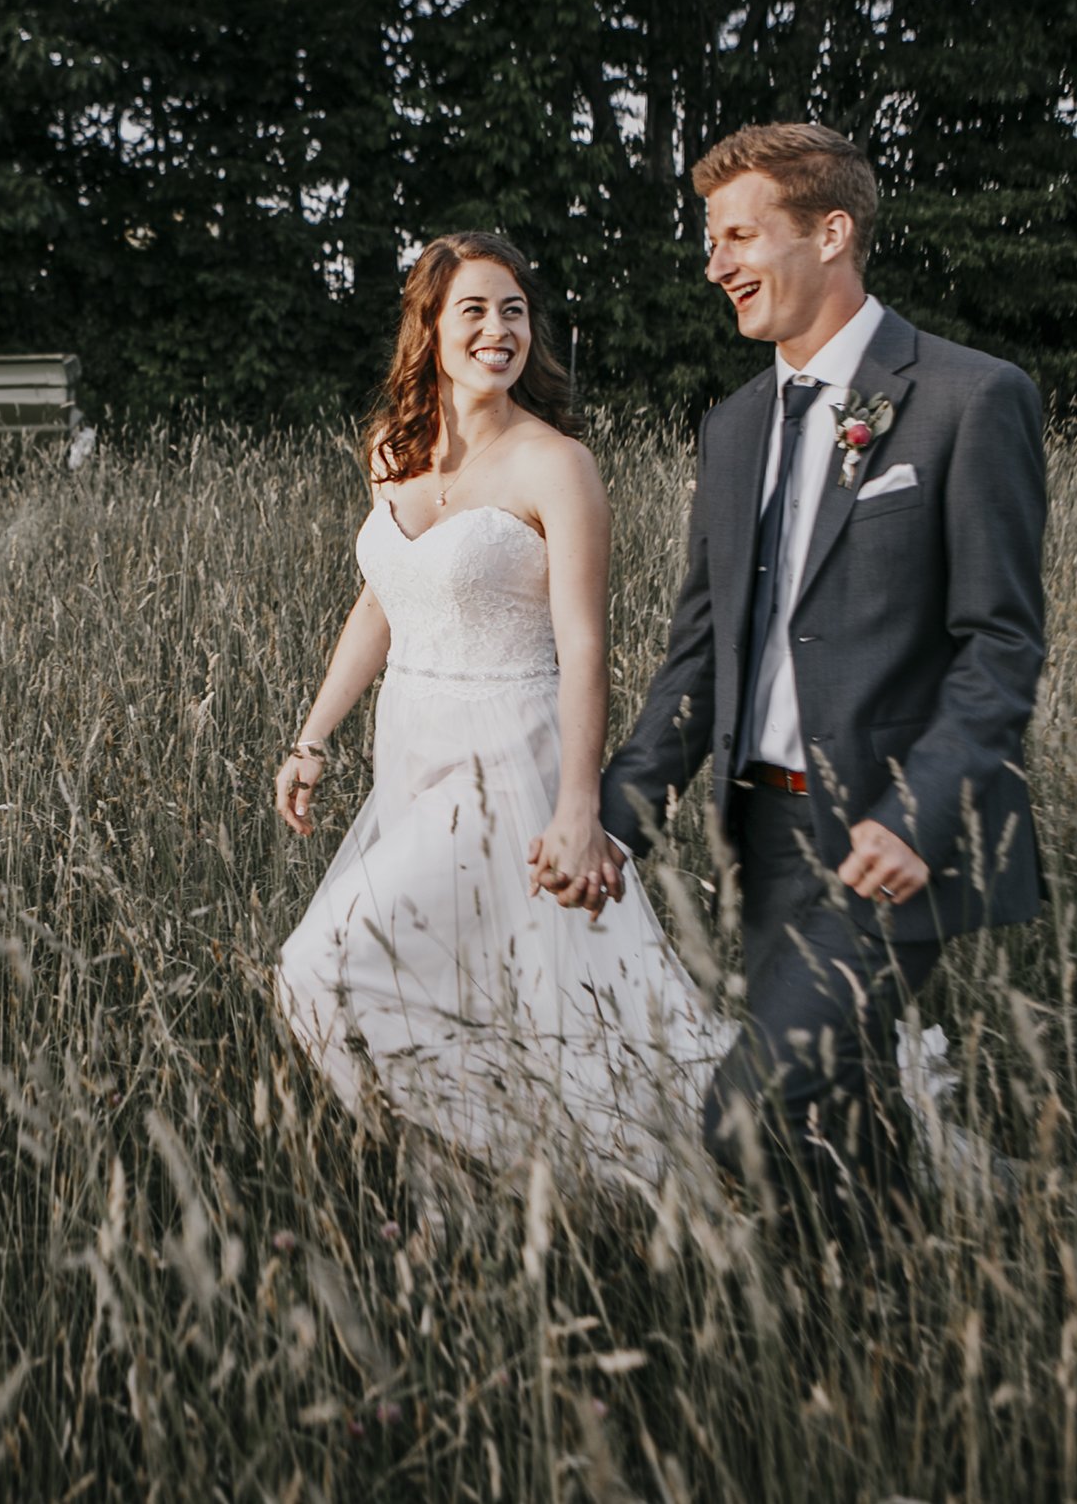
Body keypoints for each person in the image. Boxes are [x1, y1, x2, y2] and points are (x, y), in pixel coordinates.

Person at [559, 122, 1047, 1235]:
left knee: (746, 1109)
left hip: (898, 840)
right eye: (710, 240)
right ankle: (885, 1326)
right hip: (765, 831)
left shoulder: (970, 399)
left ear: (831, 233)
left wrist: (918, 815)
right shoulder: (733, 428)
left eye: (739, 235)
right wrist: (618, 823)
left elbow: (1000, 644)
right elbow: (699, 651)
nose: (715, 263)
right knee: (840, 1122)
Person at [269, 233, 733, 1189]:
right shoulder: (392, 449)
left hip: (505, 760)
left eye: (513, 310)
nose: (497, 329)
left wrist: (580, 807)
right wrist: (313, 737)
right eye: (473, 310)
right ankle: (460, 1186)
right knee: (461, 980)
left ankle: (522, 1167)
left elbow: (587, 648)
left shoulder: (556, 464)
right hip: (411, 748)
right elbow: (383, 598)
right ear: (429, 327)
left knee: (318, 965)